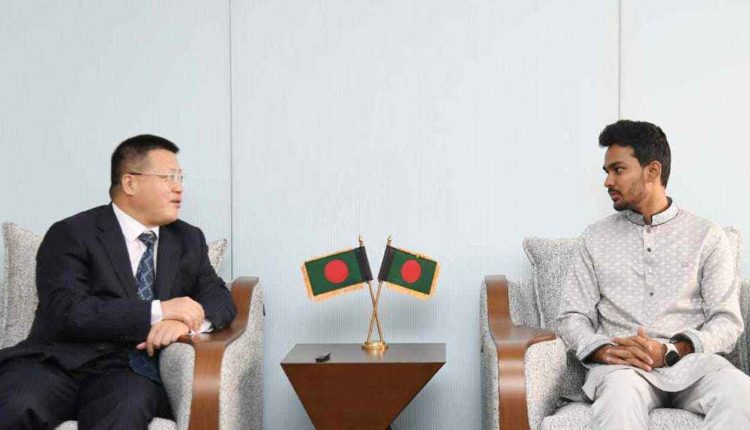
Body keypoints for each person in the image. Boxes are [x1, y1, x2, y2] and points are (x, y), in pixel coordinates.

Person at [0, 135, 236, 429]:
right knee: (17, 403)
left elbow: (219, 298)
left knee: (125, 411)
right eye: (168, 177)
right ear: (130, 183)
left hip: (128, 371)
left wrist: (184, 325)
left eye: (180, 177)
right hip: (55, 363)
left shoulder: (188, 239)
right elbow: (68, 311)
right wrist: (161, 310)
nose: (179, 187)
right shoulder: (71, 233)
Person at [557, 120, 750, 429]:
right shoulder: (595, 238)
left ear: (652, 170)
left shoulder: (706, 236)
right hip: (624, 371)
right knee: (618, 401)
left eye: (618, 170)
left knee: (742, 394)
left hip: (692, 366)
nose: (607, 181)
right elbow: (572, 317)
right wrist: (607, 350)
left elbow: (727, 321)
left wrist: (672, 351)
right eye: (607, 171)